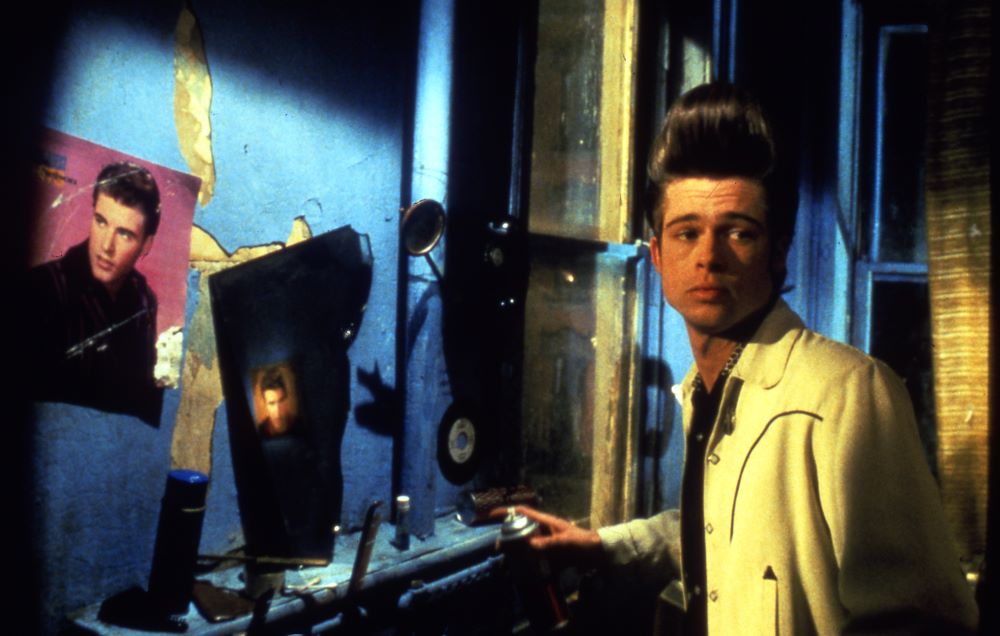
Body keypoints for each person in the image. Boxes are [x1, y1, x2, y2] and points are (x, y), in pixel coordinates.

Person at [506, 83, 978, 634]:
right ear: (657, 254)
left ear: (777, 251)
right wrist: (601, 545)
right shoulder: (707, 390)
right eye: (687, 233)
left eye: (739, 232)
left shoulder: (848, 393)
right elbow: (731, 530)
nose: (709, 257)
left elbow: (927, 621)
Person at [26, 161, 163, 424]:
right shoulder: (40, 287)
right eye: (101, 221)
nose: (106, 246)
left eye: (124, 234)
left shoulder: (146, 301)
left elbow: (146, 404)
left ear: (146, 244)